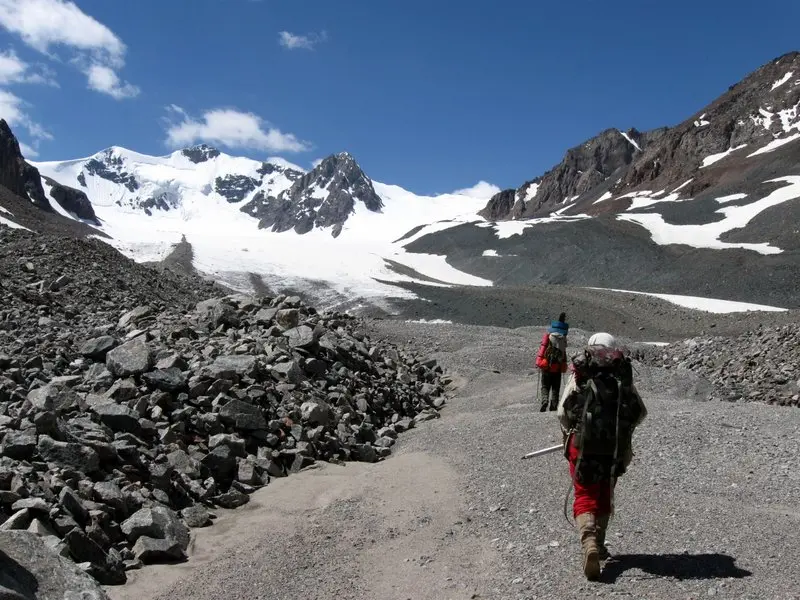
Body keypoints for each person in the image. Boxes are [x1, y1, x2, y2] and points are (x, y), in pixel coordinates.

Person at [556, 332, 647, 581]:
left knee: (585, 494)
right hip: (614, 449)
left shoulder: (581, 373)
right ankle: (601, 542)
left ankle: (589, 544)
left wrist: (571, 433)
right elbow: (639, 412)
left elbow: (563, 412)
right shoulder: (620, 375)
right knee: (605, 492)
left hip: (581, 445)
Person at [535, 312, 569, 411]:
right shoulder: (563, 338)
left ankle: (544, 401)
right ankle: (554, 404)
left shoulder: (548, 336)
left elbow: (542, 349)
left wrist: (539, 362)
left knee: (545, 386)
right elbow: (564, 354)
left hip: (546, 366)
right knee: (556, 387)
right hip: (557, 368)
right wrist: (563, 365)